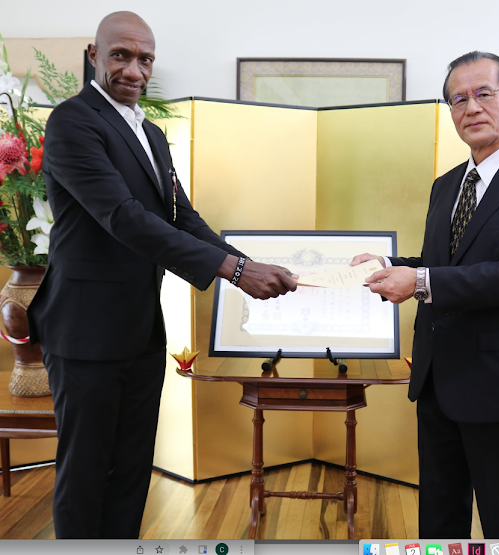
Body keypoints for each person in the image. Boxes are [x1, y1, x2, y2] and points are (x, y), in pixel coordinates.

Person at [26, 11, 297, 539]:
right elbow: (123, 217)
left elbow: (182, 217)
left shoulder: (149, 131)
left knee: (131, 471)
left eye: (144, 58)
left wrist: (247, 263)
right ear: (93, 55)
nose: (133, 69)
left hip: (140, 330)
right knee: (85, 474)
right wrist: (236, 271)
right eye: (120, 55)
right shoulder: (72, 121)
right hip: (83, 333)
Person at [351, 51, 499, 538]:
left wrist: (421, 282)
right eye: (457, 99)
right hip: (437, 377)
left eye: (483, 94)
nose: (470, 107)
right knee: (438, 513)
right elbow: (446, 263)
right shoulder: (446, 184)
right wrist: (393, 265)